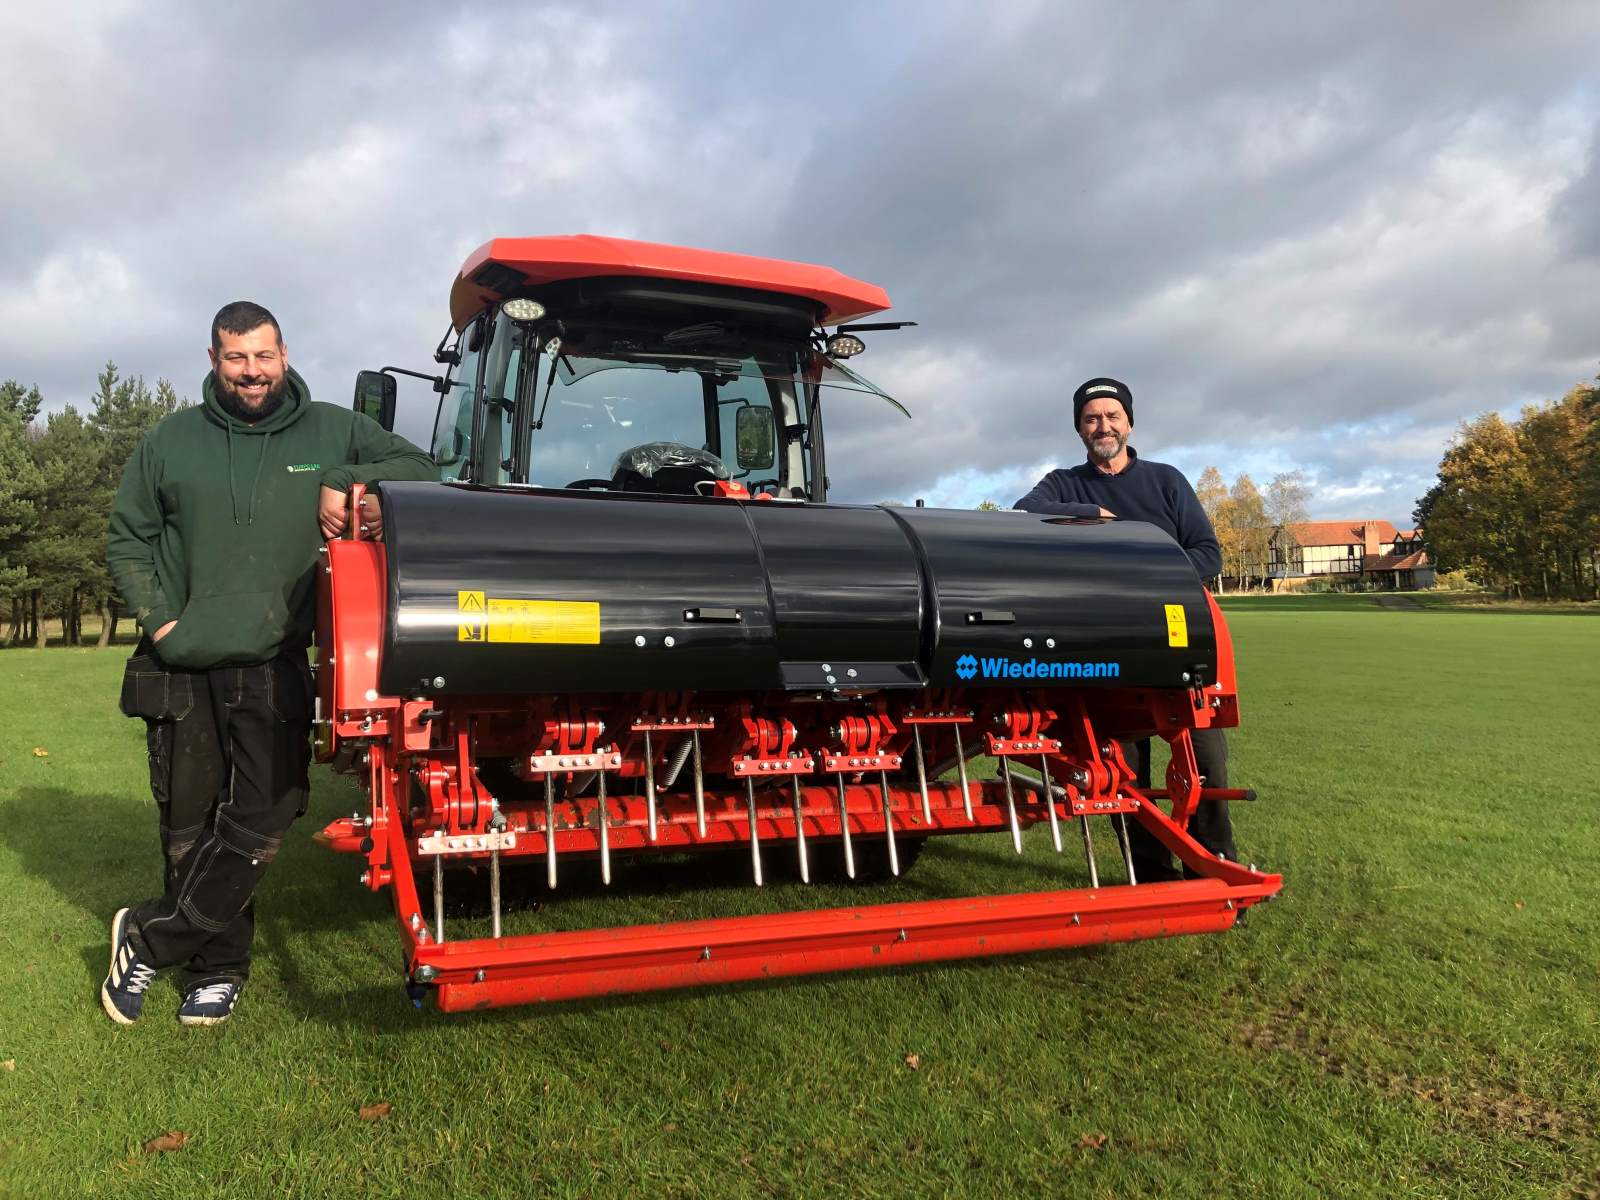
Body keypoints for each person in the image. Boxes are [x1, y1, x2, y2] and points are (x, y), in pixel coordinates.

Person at [101, 301, 437, 1026]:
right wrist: (163, 620)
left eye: (263, 356)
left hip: (276, 658)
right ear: (214, 359)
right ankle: (215, 970)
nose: (251, 373)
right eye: (235, 358)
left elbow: (422, 467)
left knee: (265, 813)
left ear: (284, 354)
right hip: (182, 663)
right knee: (190, 821)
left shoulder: (331, 430)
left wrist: (346, 476)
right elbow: (127, 538)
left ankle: (149, 937)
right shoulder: (171, 440)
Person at [1013, 376, 1235, 881]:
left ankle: (1215, 872)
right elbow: (1024, 511)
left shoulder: (1166, 481)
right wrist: (1090, 514)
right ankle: (1152, 877)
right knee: (1125, 774)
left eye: (1112, 416)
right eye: (1092, 418)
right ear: (1080, 430)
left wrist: (1155, 586)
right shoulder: (1065, 484)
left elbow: (1207, 553)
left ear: (1129, 423)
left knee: (1204, 767)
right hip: (1111, 651)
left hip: (1178, 641)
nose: (1103, 426)